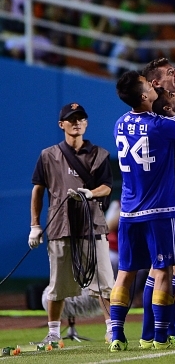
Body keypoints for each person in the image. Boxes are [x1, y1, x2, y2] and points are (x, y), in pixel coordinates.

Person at [29, 103, 114, 346]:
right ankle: (53, 333)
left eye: (81, 118)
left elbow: (107, 186)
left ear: (86, 123)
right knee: (57, 284)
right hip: (60, 227)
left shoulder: (99, 154)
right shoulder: (48, 156)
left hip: (92, 226)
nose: (76, 122)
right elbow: (37, 190)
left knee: (105, 283)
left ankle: (112, 329)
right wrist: (35, 225)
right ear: (61, 124)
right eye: (71, 119)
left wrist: (89, 193)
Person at [110, 71, 175, 351]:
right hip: (159, 211)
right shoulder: (160, 126)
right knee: (163, 270)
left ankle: (116, 334)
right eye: (147, 85)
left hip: (129, 211)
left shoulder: (119, 124)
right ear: (143, 96)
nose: (153, 86)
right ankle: (160, 337)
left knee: (125, 273)